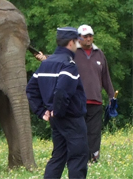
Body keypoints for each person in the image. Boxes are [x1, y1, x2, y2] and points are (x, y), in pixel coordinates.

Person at [26, 27, 88, 179]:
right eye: (77, 41)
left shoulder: (46, 63)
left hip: (56, 120)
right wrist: (58, 111)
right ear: (71, 42)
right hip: (71, 118)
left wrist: (41, 111)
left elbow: (31, 89)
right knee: (78, 157)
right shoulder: (68, 65)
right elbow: (61, 91)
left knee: (58, 156)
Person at [76, 24, 114, 162]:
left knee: (94, 132)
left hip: (95, 100)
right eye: (85, 36)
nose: (88, 39)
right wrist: (45, 58)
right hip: (77, 101)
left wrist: (111, 96)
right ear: (79, 38)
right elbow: (58, 60)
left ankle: (93, 157)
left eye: (90, 36)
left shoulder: (99, 53)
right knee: (79, 131)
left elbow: (106, 77)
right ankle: (79, 158)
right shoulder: (72, 52)